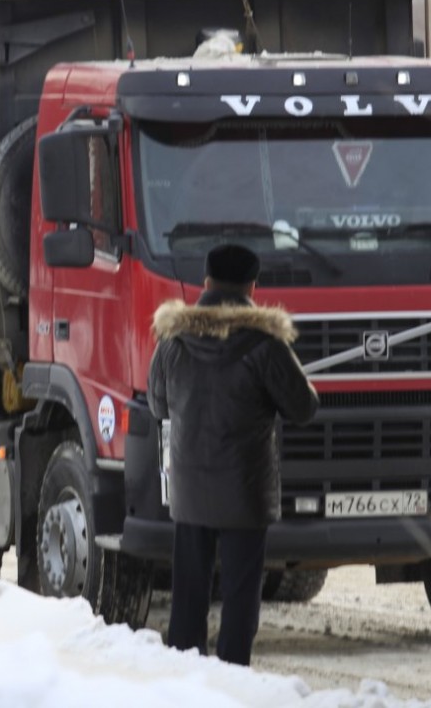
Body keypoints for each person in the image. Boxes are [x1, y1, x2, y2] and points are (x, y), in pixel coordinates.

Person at [148, 244, 319, 666]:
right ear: (252, 287)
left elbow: (157, 404)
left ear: (205, 284)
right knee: (242, 594)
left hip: (190, 488)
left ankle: (186, 673)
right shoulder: (266, 345)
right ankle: (232, 674)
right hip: (245, 491)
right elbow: (303, 409)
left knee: (189, 589)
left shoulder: (173, 340)